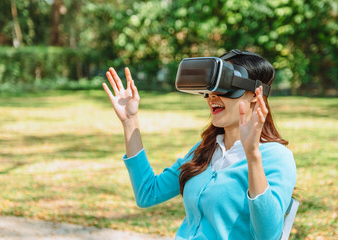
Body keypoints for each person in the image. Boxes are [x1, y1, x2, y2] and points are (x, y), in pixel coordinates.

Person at [102, 50, 297, 240]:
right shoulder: (205, 150)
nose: (212, 96)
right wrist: (130, 122)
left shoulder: (276, 157)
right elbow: (148, 193)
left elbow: (268, 236)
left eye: (224, 87)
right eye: (210, 88)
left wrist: (252, 154)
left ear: (255, 94)